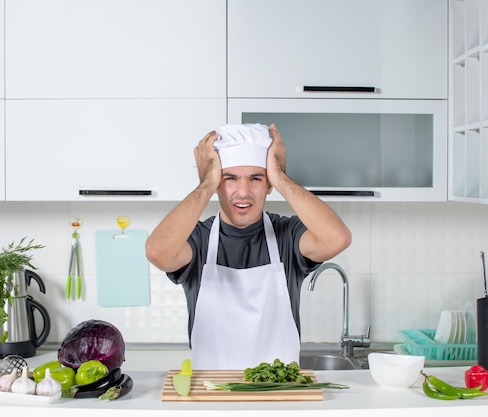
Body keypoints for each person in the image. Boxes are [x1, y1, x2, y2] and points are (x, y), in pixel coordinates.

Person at [145, 123, 351, 370]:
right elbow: (157, 251)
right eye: (229, 178)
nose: (243, 192)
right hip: (212, 398)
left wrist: (281, 177)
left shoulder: (288, 236)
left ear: (269, 184)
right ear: (216, 184)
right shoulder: (197, 240)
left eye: (256, 178)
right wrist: (206, 183)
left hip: (279, 396)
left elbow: (337, 238)